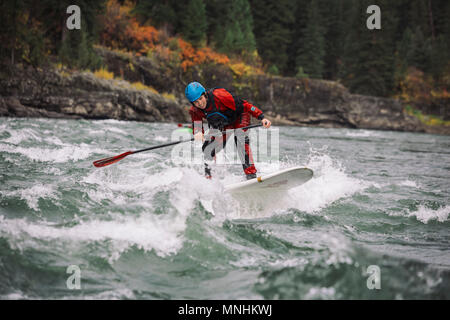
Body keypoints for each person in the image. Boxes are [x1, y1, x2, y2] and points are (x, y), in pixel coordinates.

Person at [185, 81, 271, 180]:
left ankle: (251, 174)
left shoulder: (219, 95)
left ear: (205, 95)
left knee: (240, 140)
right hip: (224, 124)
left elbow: (245, 105)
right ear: (192, 103)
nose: (200, 103)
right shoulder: (194, 110)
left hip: (240, 116)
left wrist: (261, 117)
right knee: (207, 149)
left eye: (201, 98)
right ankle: (209, 178)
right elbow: (197, 125)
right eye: (196, 102)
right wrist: (198, 132)